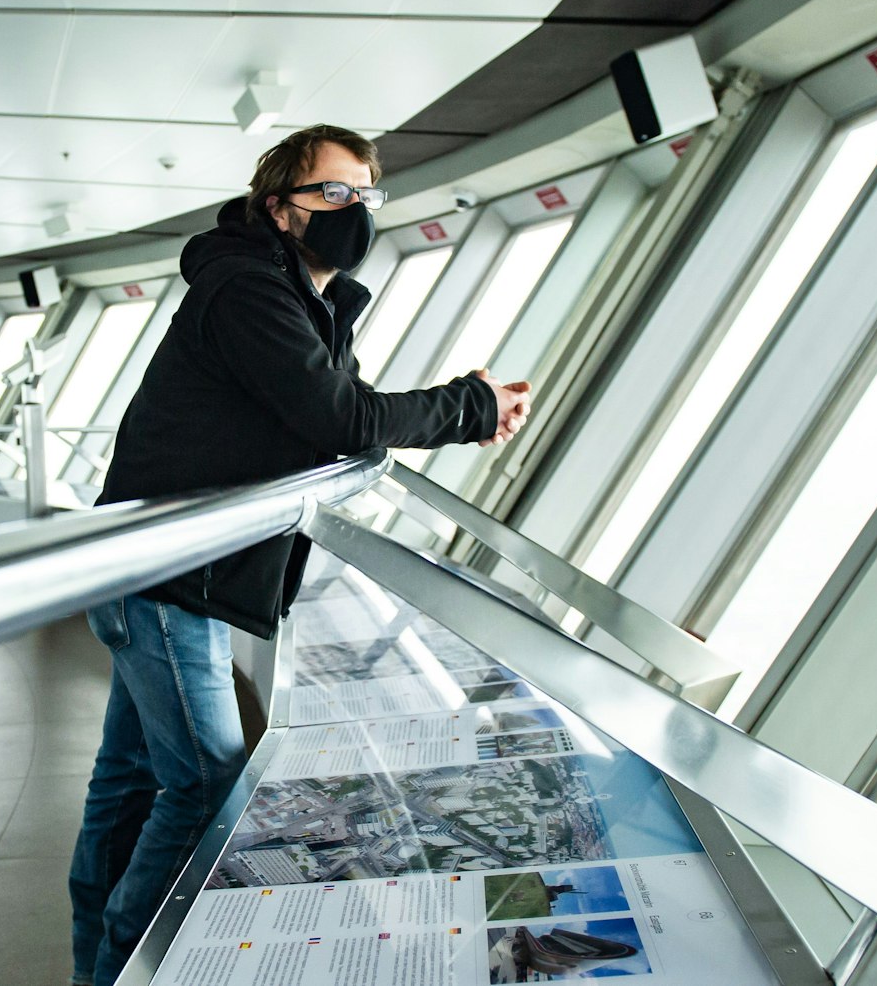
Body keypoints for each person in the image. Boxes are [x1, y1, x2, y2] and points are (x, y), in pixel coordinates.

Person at [67, 124, 533, 986]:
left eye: (365, 194)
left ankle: (92, 960)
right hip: (171, 584)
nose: (352, 211)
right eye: (332, 194)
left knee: (130, 783)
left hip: (172, 577)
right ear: (280, 210)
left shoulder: (302, 298)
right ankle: (117, 970)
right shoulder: (246, 291)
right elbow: (343, 419)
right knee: (203, 786)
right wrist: (468, 407)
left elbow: (328, 418)